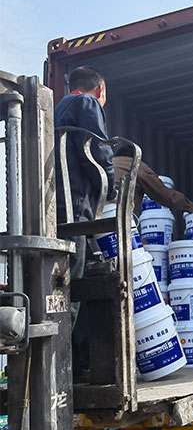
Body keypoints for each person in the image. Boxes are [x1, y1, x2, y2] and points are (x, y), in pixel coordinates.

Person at [54, 66, 116, 377]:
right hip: (74, 207)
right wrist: (111, 185)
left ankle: (76, 363)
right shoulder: (86, 103)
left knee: (61, 284)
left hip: (54, 208)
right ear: (100, 90)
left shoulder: (58, 108)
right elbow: (95, 149)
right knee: (74, 287)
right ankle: (67, 367)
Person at [111, 152, 193, 219]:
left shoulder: (110, 164)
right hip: (117, 212)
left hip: (102, 213)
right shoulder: (135, 165)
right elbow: (165, 195)